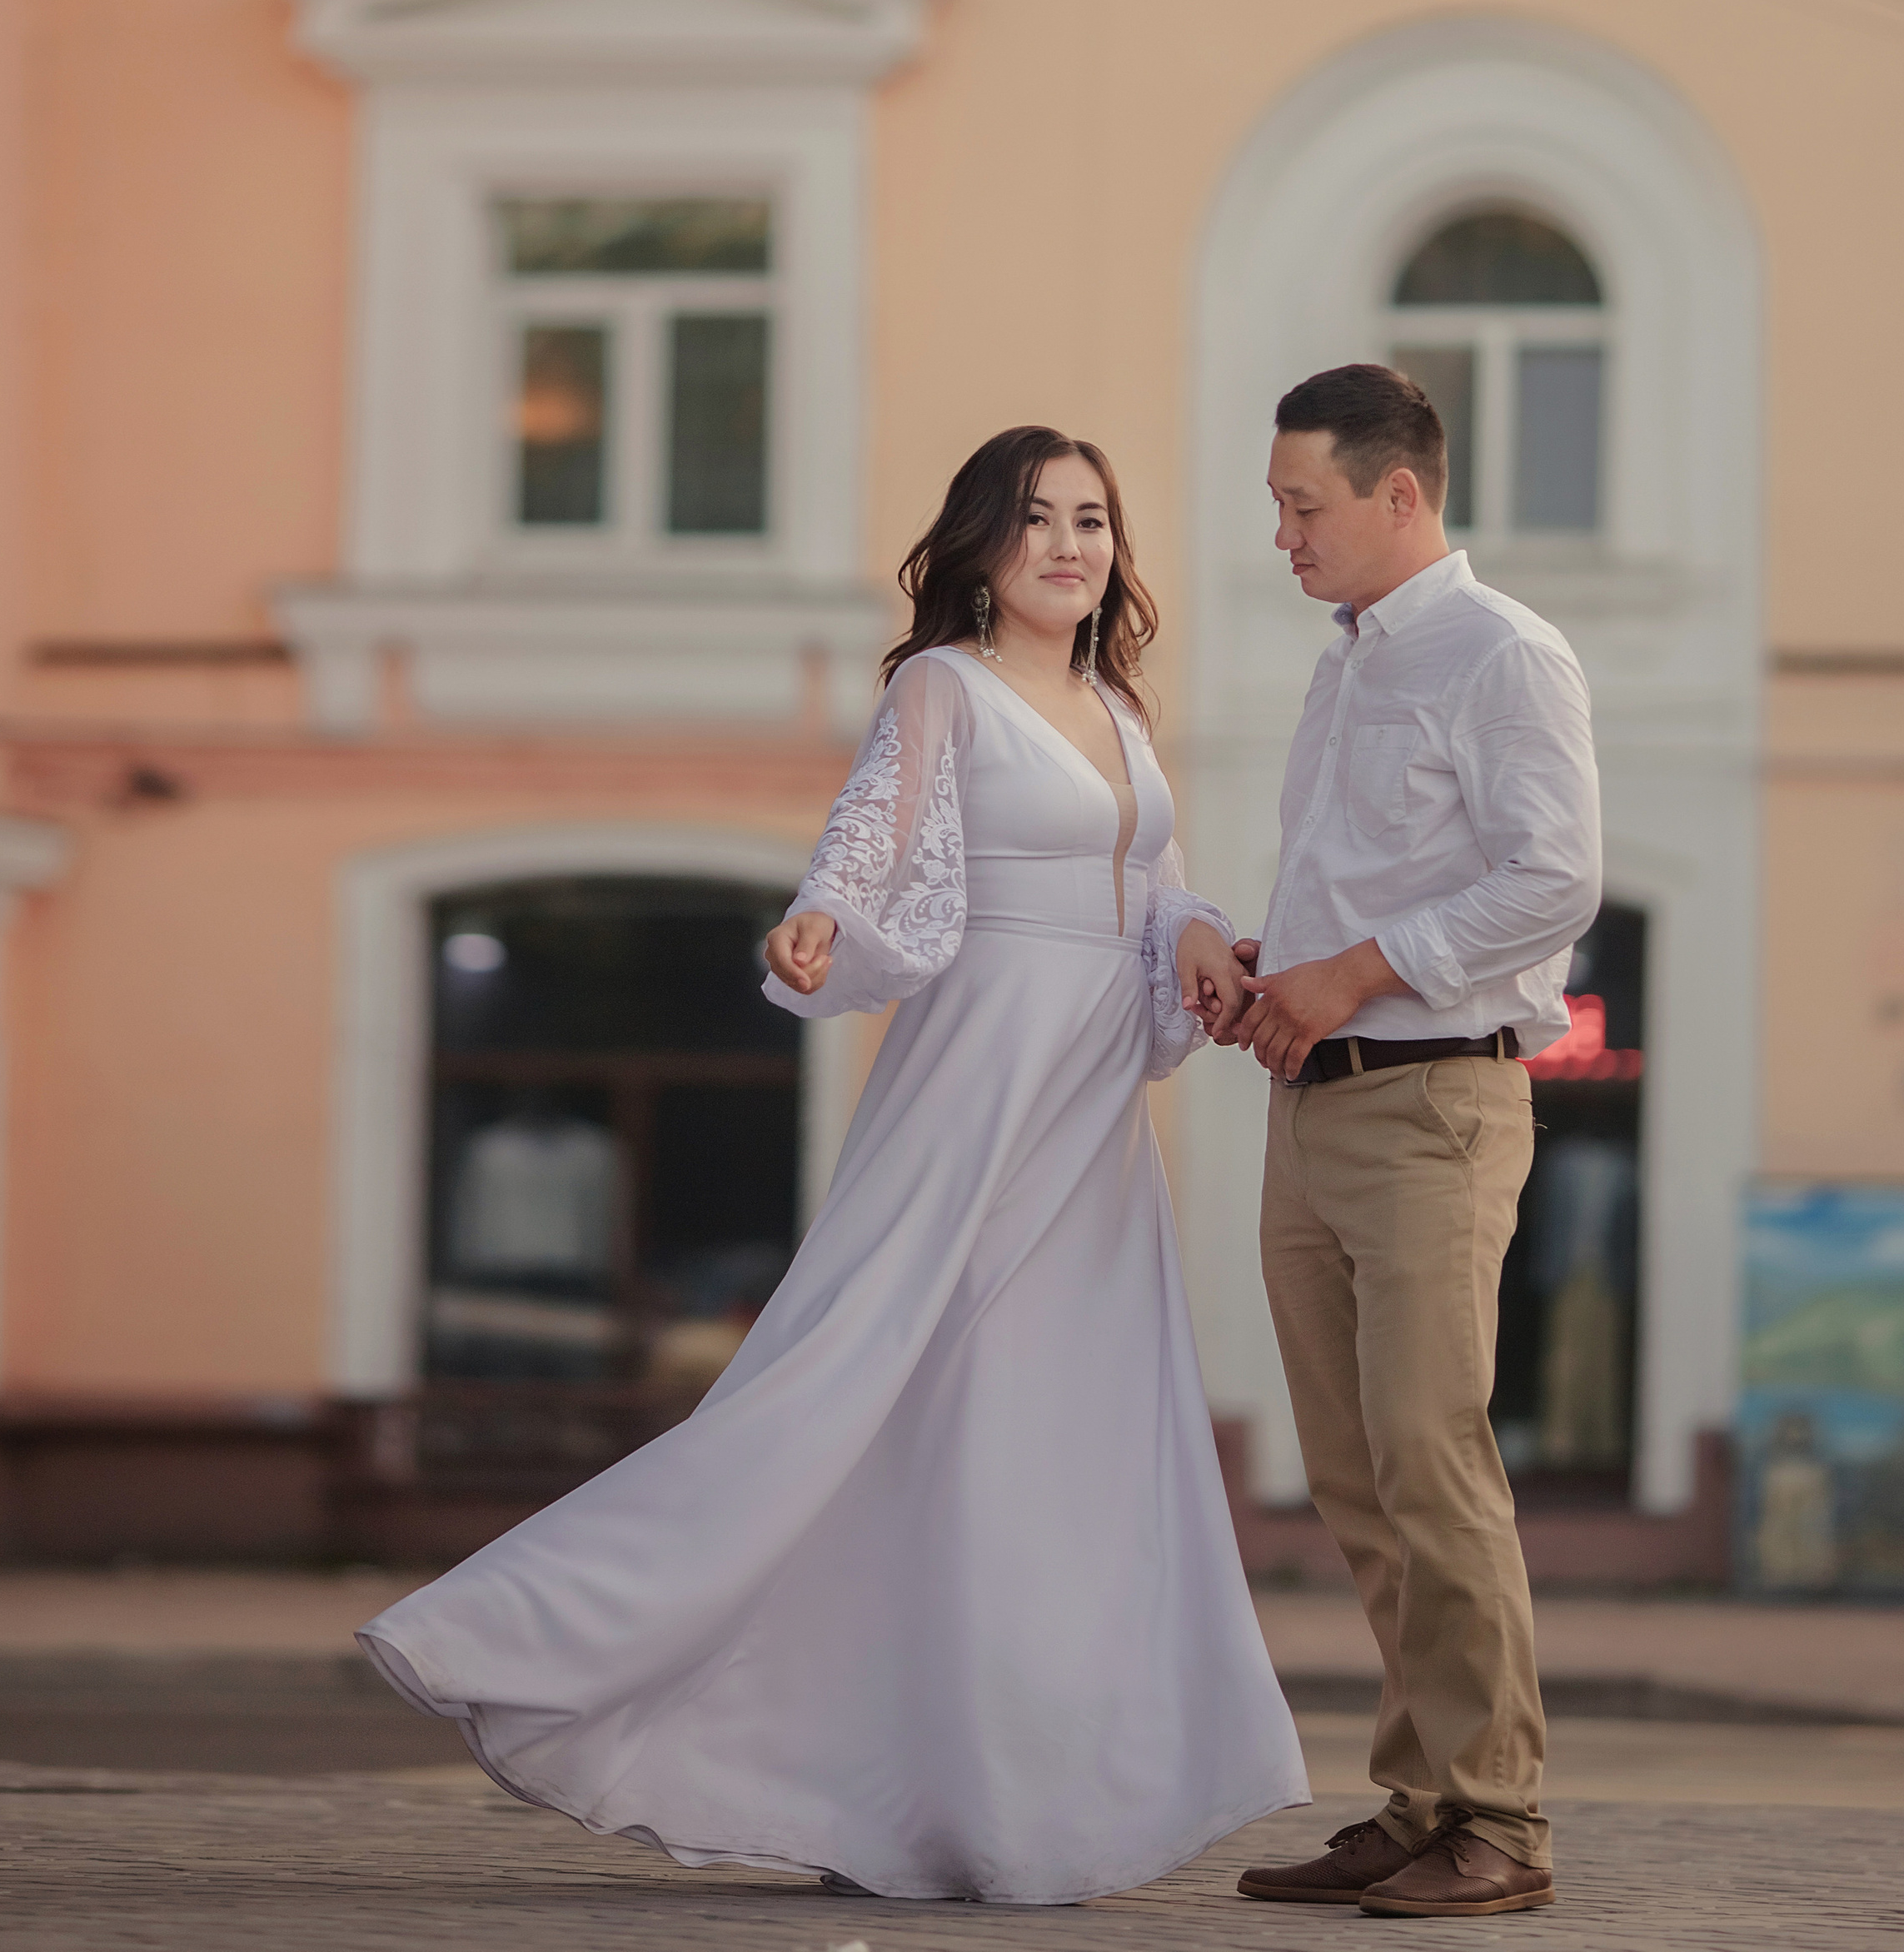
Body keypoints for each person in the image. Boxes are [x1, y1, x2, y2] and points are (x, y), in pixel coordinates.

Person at [355, 425, 1309, 1905]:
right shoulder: (945, 686)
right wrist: (819, 917)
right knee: (858, 1374)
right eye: (1041, 517)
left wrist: (1194, 930)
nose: (1072, 544)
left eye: (1095, 520)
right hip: (976, 1081)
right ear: (981, 540)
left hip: (1093, 1116)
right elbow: (873, 835)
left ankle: (984, 1796)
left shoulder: (1119, 705)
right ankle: (523, 1627)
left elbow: (1147, 885)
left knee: (1048, 1433)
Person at [1228, 365, 1600, 1921]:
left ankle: (1502, 1822)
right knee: (1358, 1477)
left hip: (1438, 1101)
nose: (1285, 538)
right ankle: (1423, 1792)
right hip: (1315, 1103)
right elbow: (1350, 886)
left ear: (1400, 494)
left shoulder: (1503, 650)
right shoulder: (1348, 662)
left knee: (1435, 1463)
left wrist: (1358, 967)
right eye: (1275, 509)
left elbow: (1556, 878)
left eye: (1303, 506)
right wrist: (1271, 967)